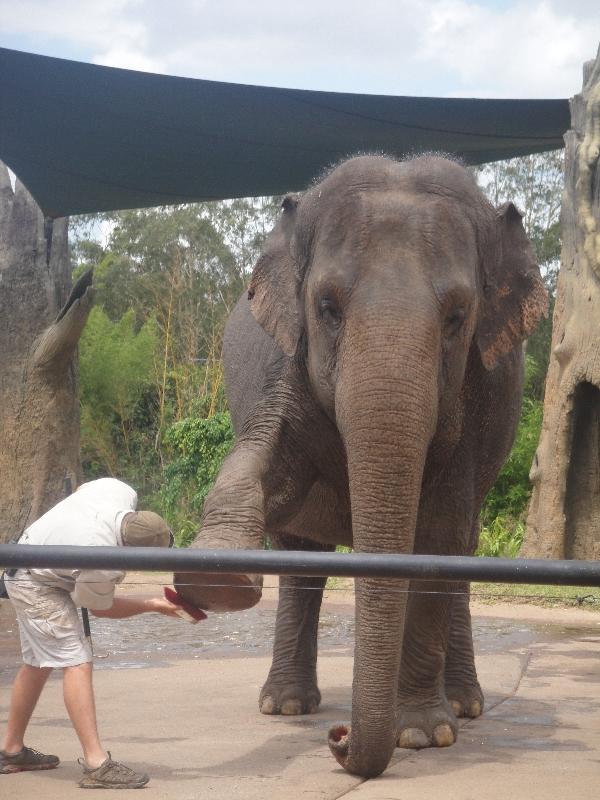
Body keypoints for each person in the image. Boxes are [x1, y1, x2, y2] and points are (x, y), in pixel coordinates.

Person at [0, 477, 186, 789]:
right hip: (36, 582)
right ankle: (97, 763)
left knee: (39, 661)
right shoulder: (101, 561)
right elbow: (101, 608)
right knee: (77, 660)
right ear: (129, 552)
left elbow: (82, 488)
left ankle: (11, 750)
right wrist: (152, 605)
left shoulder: (119, 491)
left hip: (30, 557)